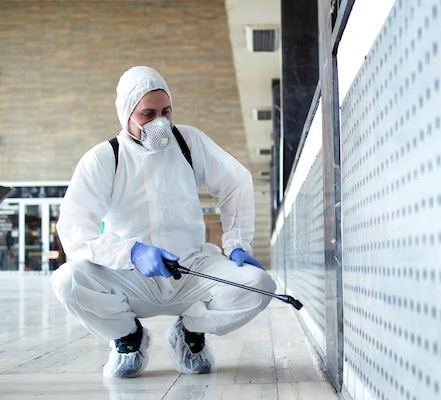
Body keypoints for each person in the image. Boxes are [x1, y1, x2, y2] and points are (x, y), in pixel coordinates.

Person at [50, 66, 276, 378]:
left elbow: (236, 182)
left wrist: (237, 242)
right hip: (130, 276)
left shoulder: (188, 142)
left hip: (190, 268)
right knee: (68, 281)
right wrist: (131, 252)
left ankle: (190, 331)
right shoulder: (104, 158)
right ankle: (128, 338)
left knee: (259, 285)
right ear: (126, 113)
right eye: (148, 114)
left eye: (166, 111)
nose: (160, 122)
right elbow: (75, 229)